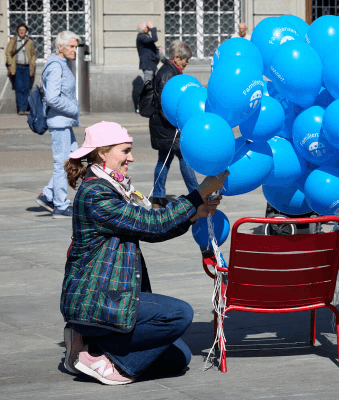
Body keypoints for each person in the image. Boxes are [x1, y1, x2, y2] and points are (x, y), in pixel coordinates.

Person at [60, 120, 228, 385]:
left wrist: (193, 215)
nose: (132, 157)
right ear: (102, 152)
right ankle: (104, 364)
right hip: (94, 299)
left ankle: (92, 344)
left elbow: (154, 230)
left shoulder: (111, 187)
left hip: (109, 295)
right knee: (179, 315)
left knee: (178, 357)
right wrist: (199, 193)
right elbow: (153, 223)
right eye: (125, 150)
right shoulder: (95, 194)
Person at [35, 31, 80, 219]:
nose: (75, 50)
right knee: (63, 164)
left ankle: (48, 194)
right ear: (60, 47)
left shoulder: (61, 64)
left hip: (64, 121)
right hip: (59, 122)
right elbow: (52, 97)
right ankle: (60, 205)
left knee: (74, 160)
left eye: (76, 47)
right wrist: (73, 108)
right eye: (71, 46)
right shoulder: (56, 66)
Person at [149, 40, 199, 208]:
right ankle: (197, 194)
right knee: (184, 157)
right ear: (176, 57)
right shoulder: (168, 74)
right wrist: (176, 123)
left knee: (164, 159)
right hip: (168, 126)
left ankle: (157, 196)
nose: (186, 63)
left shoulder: (170, 71)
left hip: (165, 125)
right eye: (185, 60)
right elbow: (165, 103)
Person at [5, 23, 36, 115]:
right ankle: (21, 108)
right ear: (18, 31)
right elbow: (8, 52)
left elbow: (33, 54)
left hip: (27, 67)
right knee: (19, 88)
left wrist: (33, 63)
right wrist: (11, 63)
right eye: (20, 30)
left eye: (23, 30)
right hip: (17, 67)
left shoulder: (29, 41)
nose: (22, 31)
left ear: (26, 31)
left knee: (26, 88)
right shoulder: (13, 41)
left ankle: (26, 108)